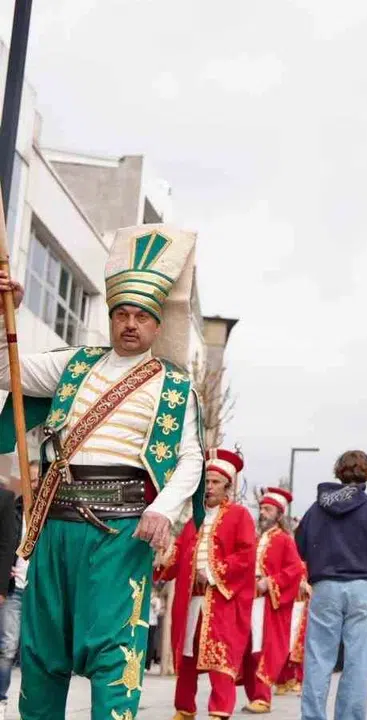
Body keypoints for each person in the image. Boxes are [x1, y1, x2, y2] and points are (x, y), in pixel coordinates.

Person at [0, 225, 204, 720]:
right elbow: (7, 371)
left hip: (121, 531)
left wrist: (162, 508)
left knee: (116, 652)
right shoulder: (74, 364)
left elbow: (190, 458)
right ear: (111, 318)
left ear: (156, 323)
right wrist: (4, 313)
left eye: (142, 316)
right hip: (54, 524)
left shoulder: (176, 387)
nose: (130, 324)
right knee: (42, 651)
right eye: (122, 314)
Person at [296, 450, 367, 720]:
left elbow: (300, 545)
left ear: (338, 472)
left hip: (326, 586)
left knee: (319, 658)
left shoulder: (317, 509)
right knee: (358, 661)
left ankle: (312, 716)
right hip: (362, 586)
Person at [160, 448, 257, 720]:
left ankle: (220, 710)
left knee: (220, 654)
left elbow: (246, 555)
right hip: (192, 599)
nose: (210, 487)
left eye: (215, 482)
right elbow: (179, 554)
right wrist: (163, 559)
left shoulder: (239, 515)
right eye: (207, 482)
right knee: (188, 653)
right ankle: (184, 708)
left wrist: (214, 572)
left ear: (227, 486)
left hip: (222, 599)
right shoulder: (195, 519)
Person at [241, 487, 306, 714]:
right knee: (249, 648)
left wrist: (270, 582)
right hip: (249, 600)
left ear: (279, 514)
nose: (262, 513)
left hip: (268, 603)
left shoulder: (285, 540)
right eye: (261, 508)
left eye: (268, 509)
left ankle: (262, 697)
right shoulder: (256, 538)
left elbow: (295, 569)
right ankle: (254, 695)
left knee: (263, 648)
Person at [0, 464, 27, 720]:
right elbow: (6, 543)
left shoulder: (54, 516)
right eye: (32, 477)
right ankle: (1, 699)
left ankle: (34, 702)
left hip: (41, 590)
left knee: (37, 651)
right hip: (15, 589)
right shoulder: (15, 508)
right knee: (7, 648)